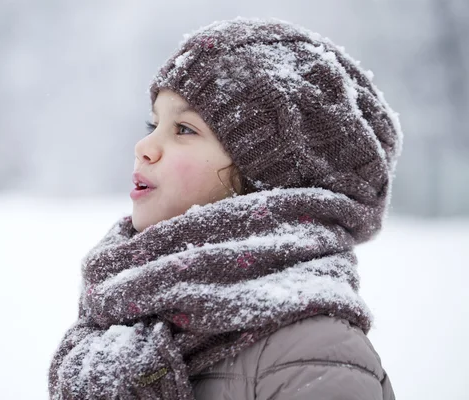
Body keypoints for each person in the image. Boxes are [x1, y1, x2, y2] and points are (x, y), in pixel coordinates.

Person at [48, 17, 402, 399]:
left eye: (184, 129)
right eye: (153, 124)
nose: (144, 146)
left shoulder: (313, 353)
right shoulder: (127, 310)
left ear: (268, 180)